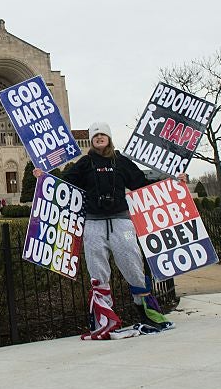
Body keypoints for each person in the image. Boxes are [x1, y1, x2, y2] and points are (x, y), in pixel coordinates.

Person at [44, 122, 174, 340]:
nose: (99, 138)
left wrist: (170, 181)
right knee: (98, 273)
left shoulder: (121, 161)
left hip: (121, 222)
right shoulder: (85, 163)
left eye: (103, 135)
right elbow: (64, 184)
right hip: (93, 224)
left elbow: (141, 183)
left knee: (133, 267)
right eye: (95, 136)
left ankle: (150, 316)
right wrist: (43, 177)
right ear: (91, 141)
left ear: (109, 138)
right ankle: (104, 322)